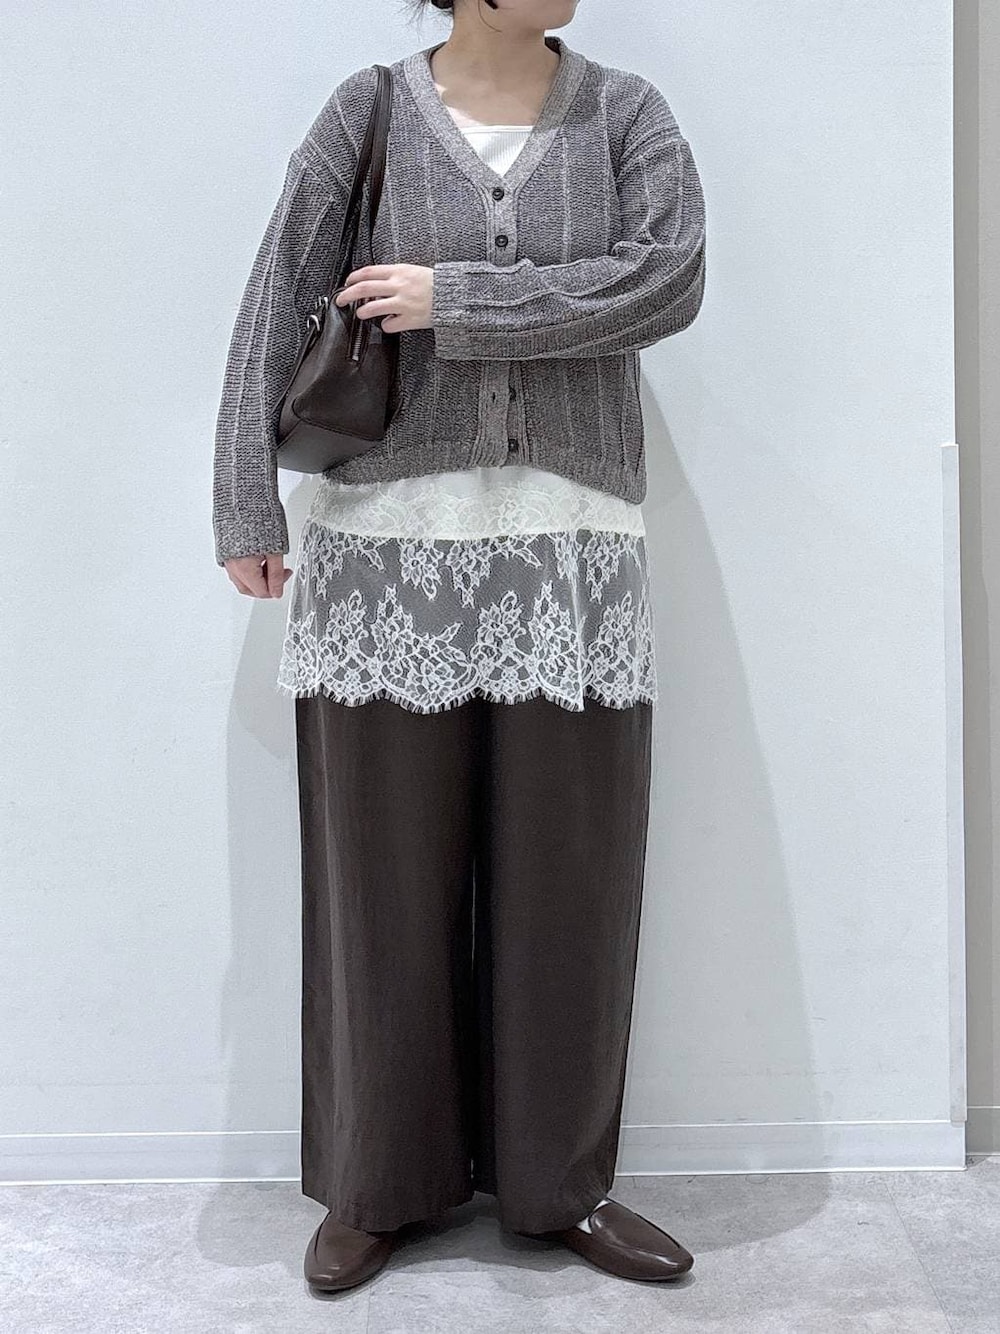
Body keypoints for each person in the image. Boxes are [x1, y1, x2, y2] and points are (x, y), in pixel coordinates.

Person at [212, 0, 706, 1292]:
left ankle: (562, 1186)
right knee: (379, 880)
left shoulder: (625, 115)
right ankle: (379, 1182)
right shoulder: (367, 111)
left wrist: (458, 299)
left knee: (571, 880)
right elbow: (277, 297)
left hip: (568, 547)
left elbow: (669, 278)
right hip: (389, 547)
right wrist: (245, 501)